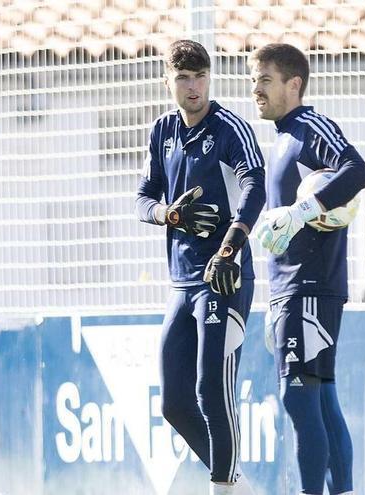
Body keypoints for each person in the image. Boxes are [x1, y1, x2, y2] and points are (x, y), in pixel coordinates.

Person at [135, 40, 265, 495]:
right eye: (184, 78)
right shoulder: (162, 130)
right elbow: (143, 197)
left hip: (223, 277)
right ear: (167, 80)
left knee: (212, 389)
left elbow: (255, 185)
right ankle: (238, 484)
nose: (194, 87)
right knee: (174, 402)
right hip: (182, 282)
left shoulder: (229, 129)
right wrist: (168, 214)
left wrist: (231, 243)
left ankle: (223, 489)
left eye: (201, 76)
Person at [250, 43, 365, 495]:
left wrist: (304, 210)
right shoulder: (283, 138)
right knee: (319, 398)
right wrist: (274, 300)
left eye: (265, 79)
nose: (255, 88)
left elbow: (358, 171)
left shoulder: (310, 127)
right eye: (254, 79)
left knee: (299, 398)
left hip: (311, 288)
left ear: (293, 84)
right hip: (293, 291)